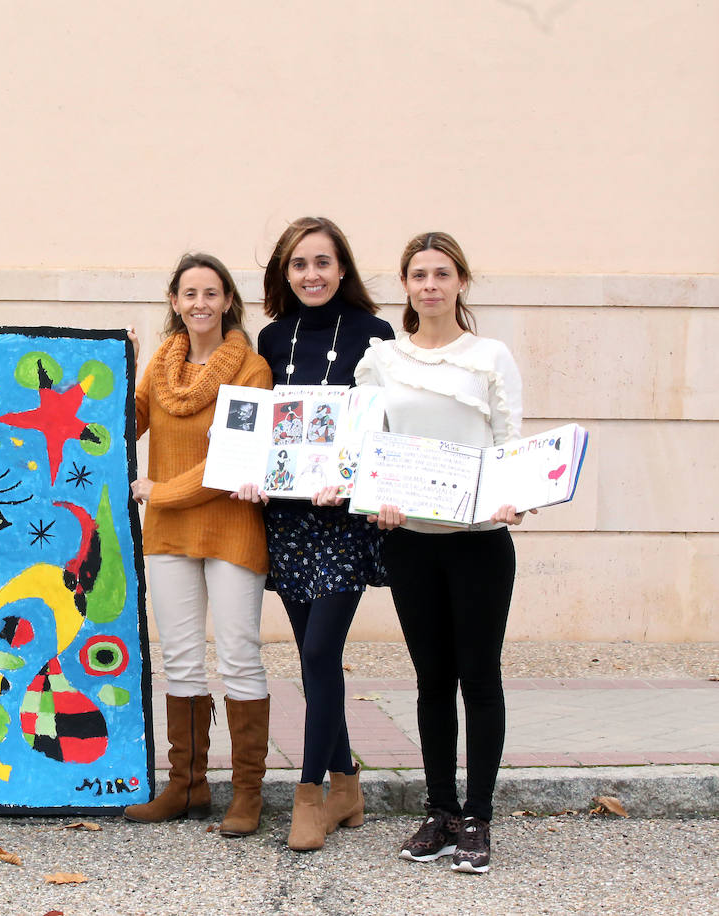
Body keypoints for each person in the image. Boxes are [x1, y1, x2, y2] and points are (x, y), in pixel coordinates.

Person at [355, 231, 528, 874]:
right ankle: (439, 812)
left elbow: (510, 444)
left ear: (461, 282)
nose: (429, 285)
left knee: (479, 680)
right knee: (431, 682)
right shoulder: (381, 361)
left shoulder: (489, 357)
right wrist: (379, 501)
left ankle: (479, 817)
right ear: (405, 285)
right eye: (418, 275)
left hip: (480, 544)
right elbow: (370, 450)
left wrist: (512, 496)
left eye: (442, 274)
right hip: (411, 546)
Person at [237, 217, 396, 850]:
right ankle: (348, 783)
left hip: (345, 519)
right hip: (289, 518)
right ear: (284, 273)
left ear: (343, 268)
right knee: (311, 659)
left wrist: (358, 481)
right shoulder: (272, 338)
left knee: (320, 654)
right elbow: (259, 426)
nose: (312, 274)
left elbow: (385, 425)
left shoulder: (377, 336)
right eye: (299, 264)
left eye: (323, 262)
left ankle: (310, 796)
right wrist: (250, 473)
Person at [122, 253, 273, 837]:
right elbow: (123, 422)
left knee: (239, 657)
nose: (200, 303)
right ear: (175, 302)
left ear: (228, 301)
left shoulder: (252, 371)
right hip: (170, 534)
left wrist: (160, 491)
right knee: (180, 657)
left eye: (211, 293)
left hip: (230, 528)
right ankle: (187, 786)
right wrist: (114, 361)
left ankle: (248, 794)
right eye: (190, 293)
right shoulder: (161, 366)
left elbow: (231, 463)